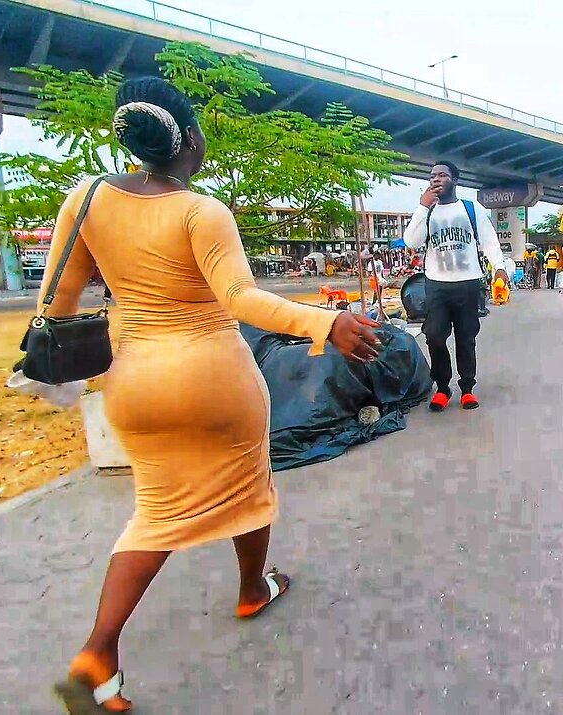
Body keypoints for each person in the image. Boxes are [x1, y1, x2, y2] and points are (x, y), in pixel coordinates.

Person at [48, 77, 381, 714]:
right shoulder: (203, 211)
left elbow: (57, 303)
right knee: (248, 484)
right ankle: (253, 586)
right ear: (191, 139)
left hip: (135, 382)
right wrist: (323, 322)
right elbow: (238, 300)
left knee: (156, 512)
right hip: (211, 377)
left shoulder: (85, 199)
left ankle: (98, 655)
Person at [403, 161, 508, 412]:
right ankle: (442, 388)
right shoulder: (427, 213)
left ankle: (467, 389)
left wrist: (499, 268)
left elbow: (490, 242)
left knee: (466, 338)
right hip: (437, 285)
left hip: (468, 284)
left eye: (442, 175)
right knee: (434, 336)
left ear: (455, 180)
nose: (436, 180)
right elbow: (411, 241)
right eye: (432, 176)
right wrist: (421, 206)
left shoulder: (471, 210)